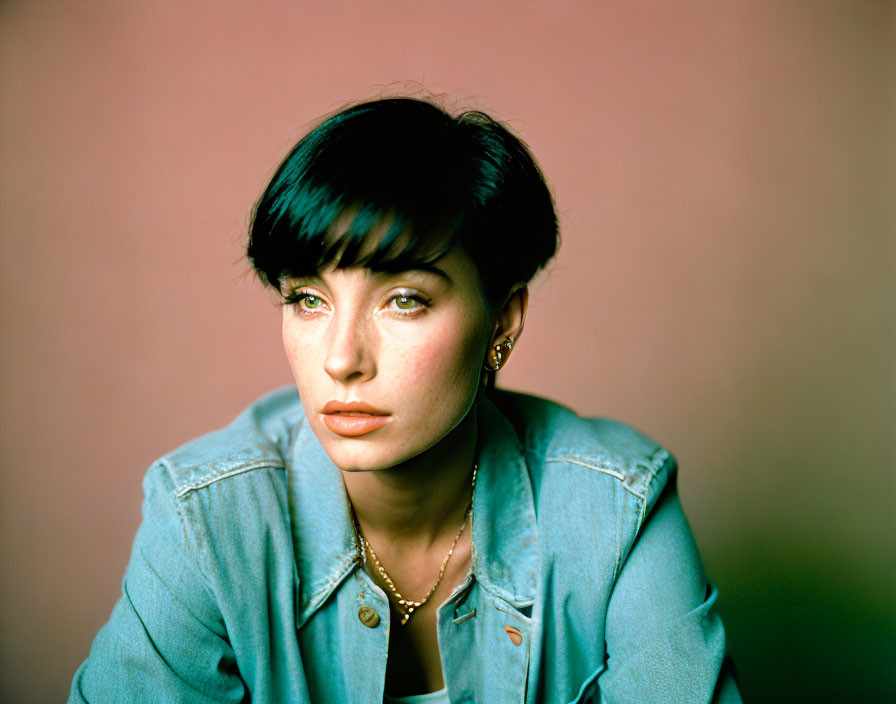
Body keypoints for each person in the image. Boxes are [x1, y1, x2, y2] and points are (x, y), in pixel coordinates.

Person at [69, 96, 741, 703]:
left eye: (404, 300)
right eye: (308, 299)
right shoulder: (211, 520)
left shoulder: (613, 511)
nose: (341, 359)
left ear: (501, 321)